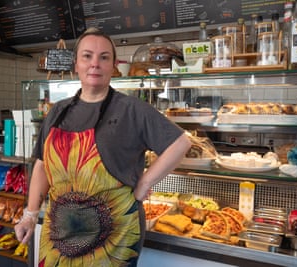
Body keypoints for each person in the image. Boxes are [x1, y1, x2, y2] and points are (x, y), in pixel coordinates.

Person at [14, 27, 191, 267]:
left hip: (114, 236)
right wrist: (30, 214)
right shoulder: (58, 110)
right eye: (87, 56)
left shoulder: (131, 109)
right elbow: (43, 165)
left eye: (104, 57)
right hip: (59, 233)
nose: (95, 64)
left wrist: (144, 183)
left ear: (113, 66)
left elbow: (181, 143)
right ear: (76, 64)